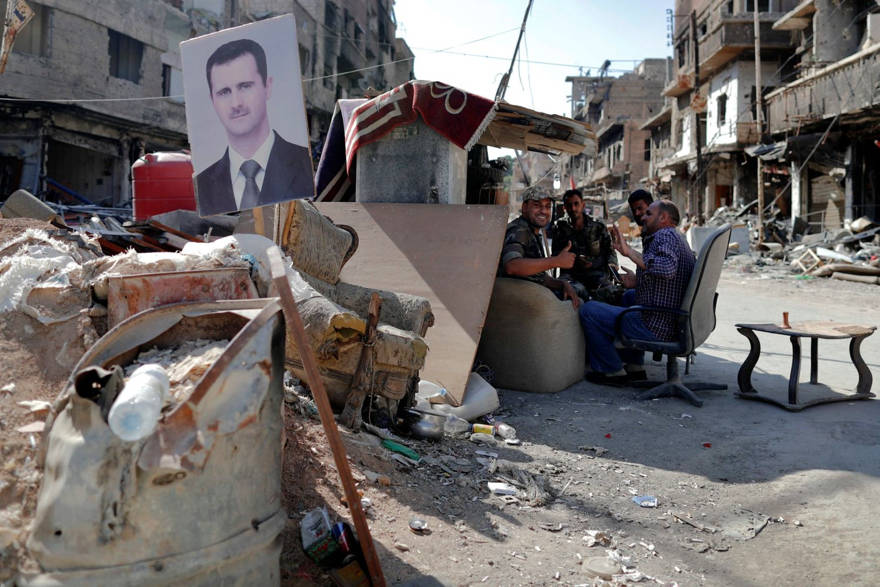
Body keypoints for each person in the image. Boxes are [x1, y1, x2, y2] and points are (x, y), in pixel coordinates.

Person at [578, 199, 695, 385]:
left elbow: (666, 269)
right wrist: (638, 281)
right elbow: (668, 278)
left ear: (663, 218)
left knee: (589, 310)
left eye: (649, 213)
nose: (642, 217)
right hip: (673, 320)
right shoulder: (676, 237)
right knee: (629, 296)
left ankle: (611, 370)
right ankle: (635, 367)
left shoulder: (665, 236)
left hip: (657, 325)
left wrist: (628, 251)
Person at [195, 38, 313, 216]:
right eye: (224, 92)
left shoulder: (305, 165)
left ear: (267, 86)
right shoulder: (202, 184)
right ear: (212, 100)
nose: (236, 103)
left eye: (245, 86)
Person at [498, 187, 580, 308]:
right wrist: (555, 261)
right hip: (514, 303)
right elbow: (512, 266)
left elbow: (537, 275)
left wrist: (562, 284)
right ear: (525, 207)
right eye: (537, 205)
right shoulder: (520, 230)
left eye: (547, 207)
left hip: (528, 297)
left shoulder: (532, 231)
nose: (543, 211)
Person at [550, 189, 619, 302]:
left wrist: (613, 267)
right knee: (561, 294)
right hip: (571, 275)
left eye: (576, 204)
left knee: (613, 294)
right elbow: (555, 256)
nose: (573, 208)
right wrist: (574, 260)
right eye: (569, 205)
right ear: (564, 208)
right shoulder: (559, 228)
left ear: (583, 205)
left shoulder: (598, 227)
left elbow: (610, 251)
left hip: (596, 275)